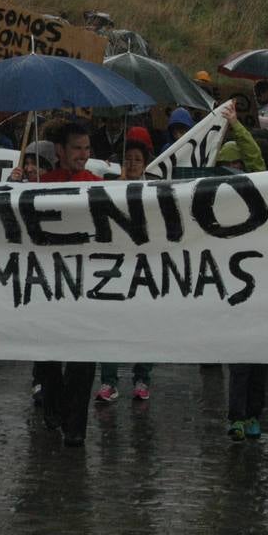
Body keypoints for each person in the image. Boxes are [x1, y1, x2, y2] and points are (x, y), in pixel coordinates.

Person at [28, 121, 99, 446]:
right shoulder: (40, 184)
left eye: (87, 148)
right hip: (48, 286)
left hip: (87, 287)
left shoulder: (99, 186)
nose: (83, 155)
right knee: (48, 355)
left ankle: (76, 427)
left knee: (84, 359)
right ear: (60, 151)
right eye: (76, 149)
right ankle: (54, 407)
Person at [97, 132, 154, 403]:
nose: (131, 164)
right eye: (127, 159)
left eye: (137, 160)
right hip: (113, 267)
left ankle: (142, 378)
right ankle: (109, 382)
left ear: (145, 165)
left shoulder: (154, 191)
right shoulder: (108, 187)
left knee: (143, 325)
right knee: (109, 324)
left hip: (143, 267)